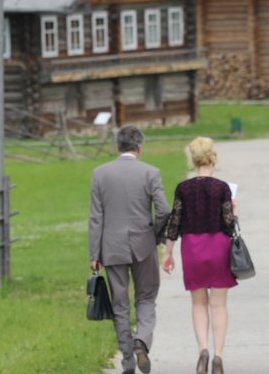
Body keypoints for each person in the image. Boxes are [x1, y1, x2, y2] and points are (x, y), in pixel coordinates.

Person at [88, 125, 170, 374]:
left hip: (111, 246)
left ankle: (127, 361)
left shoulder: (100, 174)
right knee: (146, 296)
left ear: (117, 146)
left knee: (120, 303)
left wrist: (94, 254)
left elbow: (96, 217)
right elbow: (164, 210)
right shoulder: (150, 172)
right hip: (143, 244)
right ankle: (141, 340)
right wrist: (156, 235)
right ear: (139, 147)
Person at [162, 137, 236, 374]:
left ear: (193, 160)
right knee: (219, 305)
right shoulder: (222, 188)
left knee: (198, 303)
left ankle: (203, 350)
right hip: (218, 246)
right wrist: (235, 210)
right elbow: (229, 224)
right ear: (213, 157)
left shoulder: (183, 188)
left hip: (192, 247)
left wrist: (168, 252)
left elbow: (175, 222)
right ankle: (218, 356)